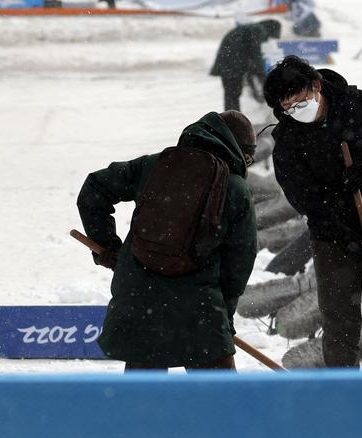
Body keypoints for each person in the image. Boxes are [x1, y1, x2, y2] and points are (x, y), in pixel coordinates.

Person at [262, 55, 362, 367]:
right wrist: (337, 203)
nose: (297, 110)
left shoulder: (359, 106)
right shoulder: (288, 140)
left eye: (302, 99)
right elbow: (301, 197)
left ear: (317, 86)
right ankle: (343, 394)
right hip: (333, 241)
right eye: (288, 107)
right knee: (339, 326)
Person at [77, 111, 258, 371]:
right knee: (220, 404)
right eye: (248, 156)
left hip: (140, 298)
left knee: (143, 403)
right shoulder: (236, 189)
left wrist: (107, 246)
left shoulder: (154, 165)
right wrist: (224, 317)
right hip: (200, 310)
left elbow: (95, 188)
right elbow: (239, 264)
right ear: (238, 150)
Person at [209, 20, 282, 112]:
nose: (268, 39)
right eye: (271, 36)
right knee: (233, 93)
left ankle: (231, 117)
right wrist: (262, 75)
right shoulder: (258, 29)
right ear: (271, 29)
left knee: (231, 94)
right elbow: (255, 54)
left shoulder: (252, 28)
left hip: (228, 61)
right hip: (232, 63)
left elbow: (252, 55)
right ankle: (232, 119)